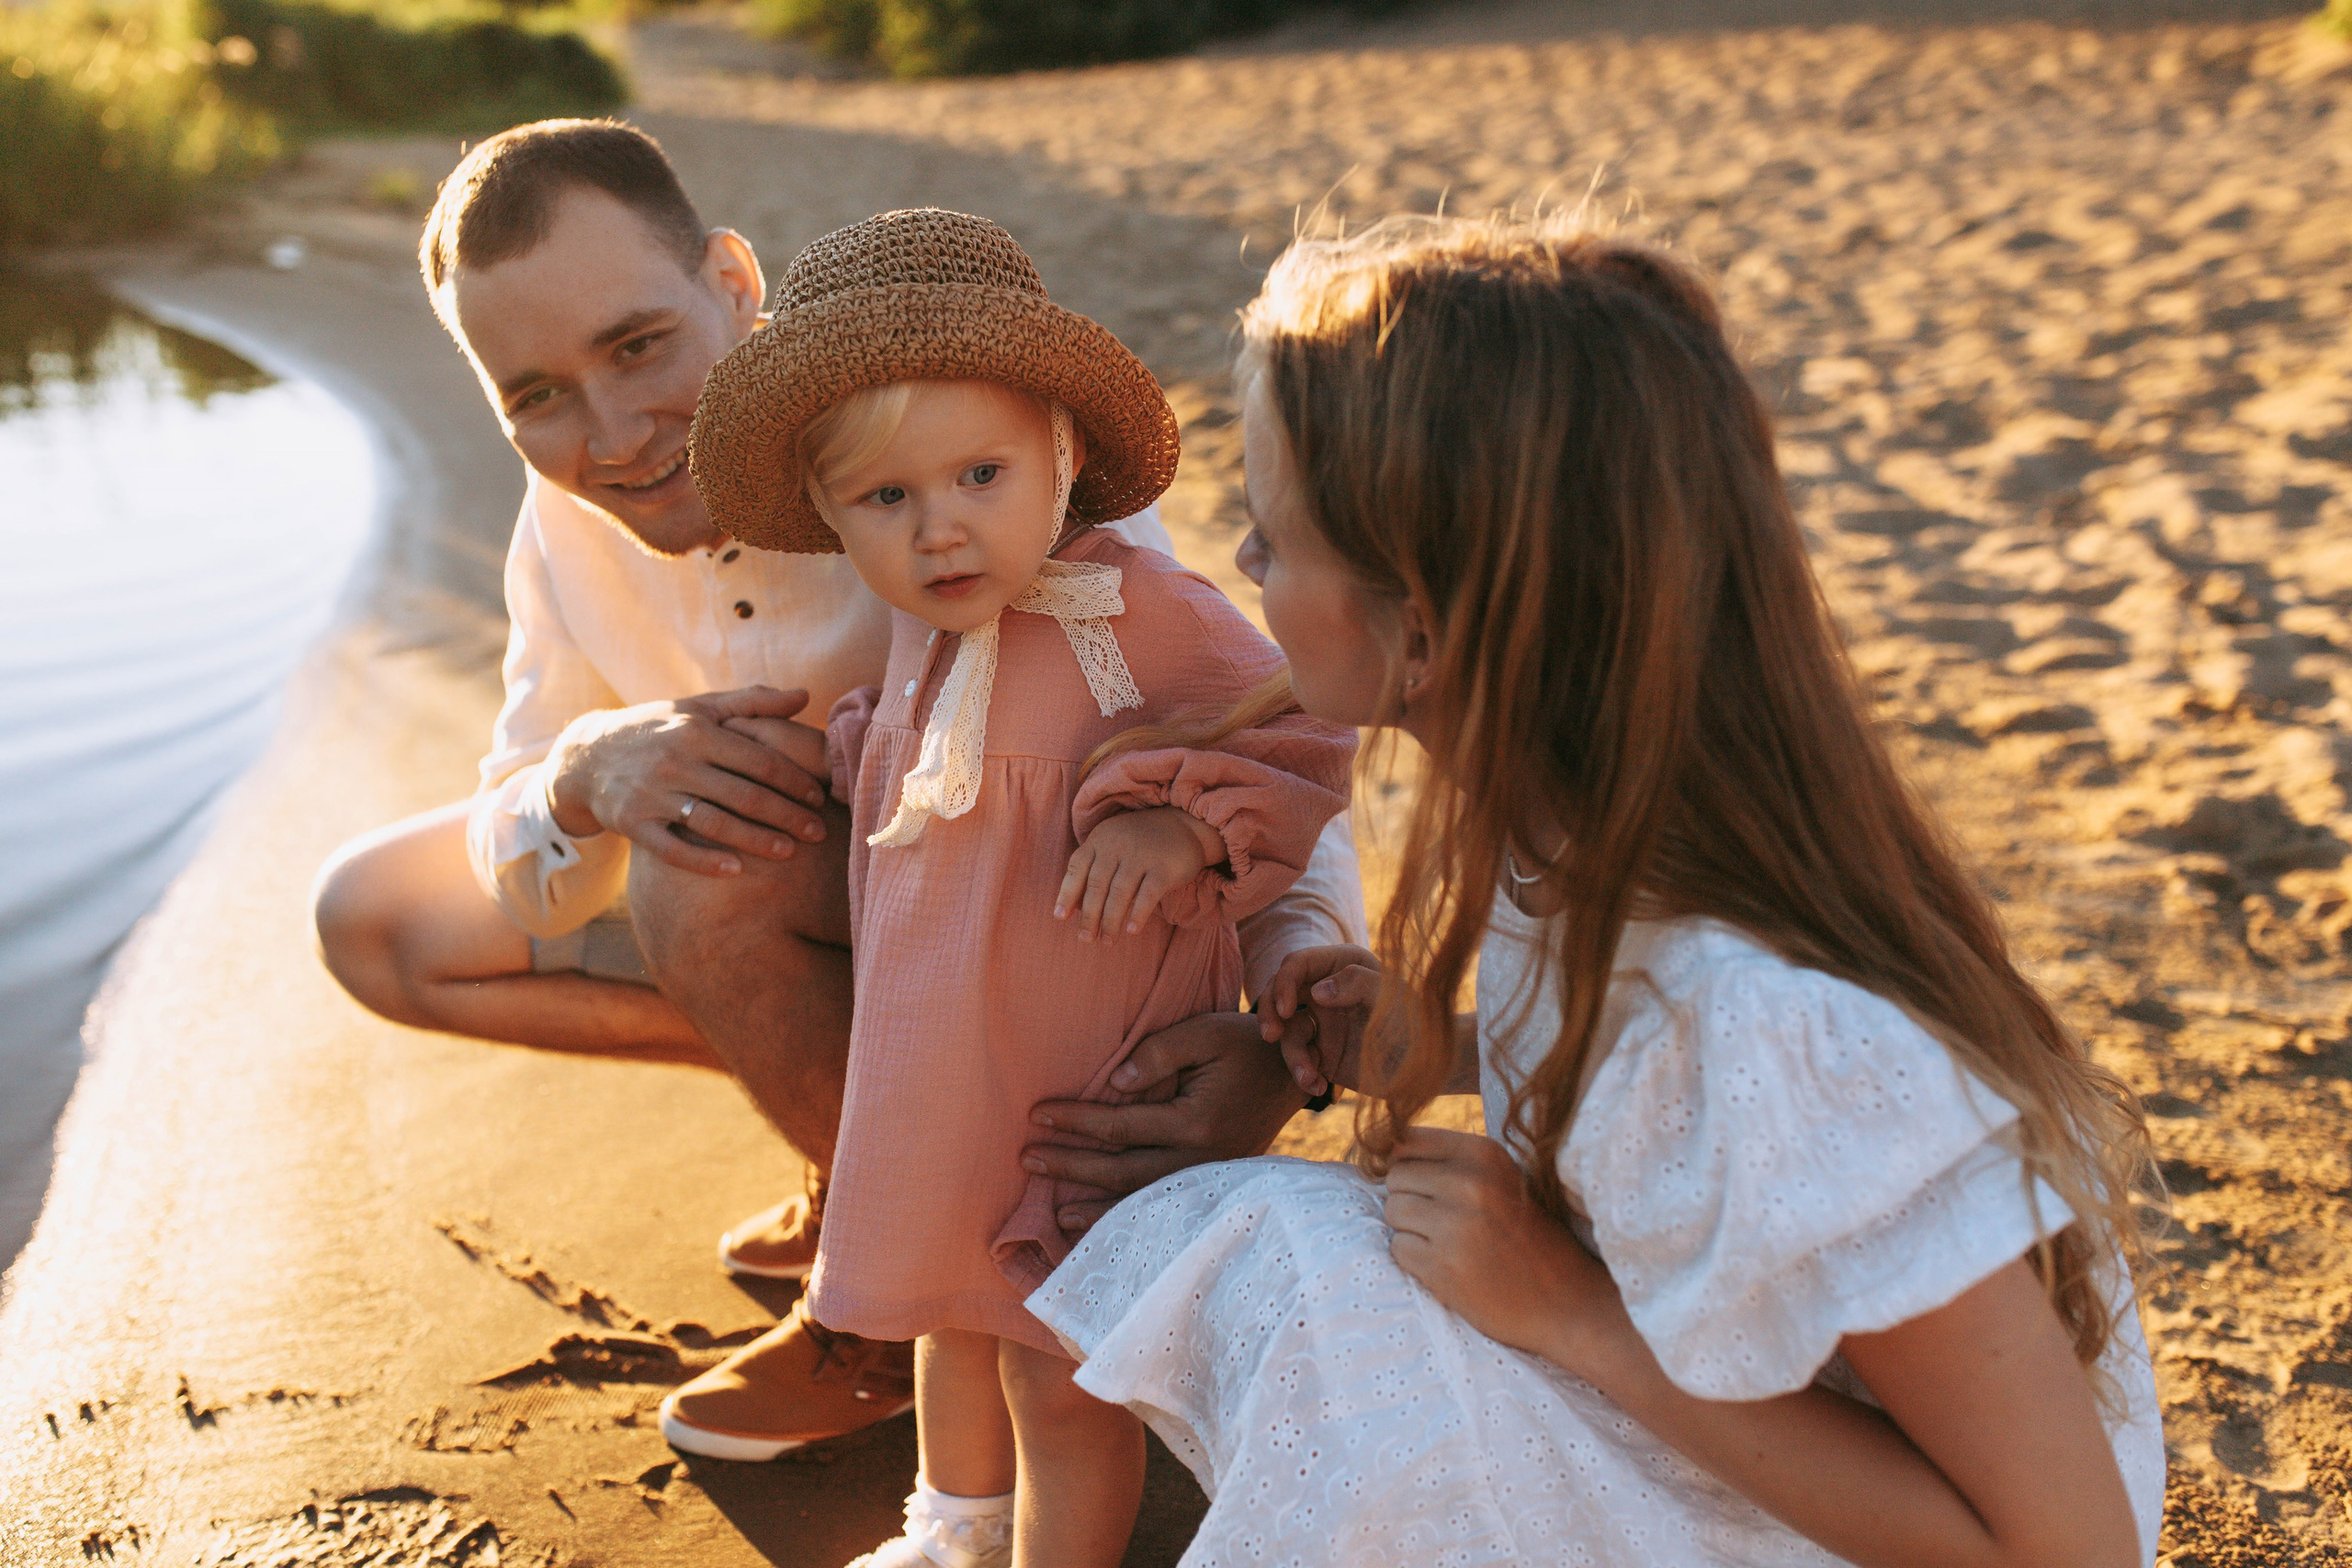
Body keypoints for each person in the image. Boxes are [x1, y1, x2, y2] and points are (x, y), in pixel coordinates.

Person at [1028, 216, 2168, 1566]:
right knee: (1267, 1253)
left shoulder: (1756, 1020)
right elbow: (1634, 1089)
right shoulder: (1572, 829)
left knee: (1309, 1286)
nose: (1254, 572)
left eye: (1274, 536)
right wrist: (1394, 1050)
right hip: (1731, 1418)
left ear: (1427, 630)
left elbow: (2075, 1551)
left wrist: (1572, 1316)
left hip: (1871, 1521)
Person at [307, 119, 1366, 1458]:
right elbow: (529, 847)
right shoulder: (560, 526)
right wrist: (581, 774)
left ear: (735, 285)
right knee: (372, 916)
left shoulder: (965, 445)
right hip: (875, 930)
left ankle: (895, 1308)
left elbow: (1246, 727)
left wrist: (1281, 1036)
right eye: (537, 397)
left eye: (639, 347)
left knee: (705, 863)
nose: (616, 435)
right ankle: (866, 1159)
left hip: (1055, 946)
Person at [686, 207, 1355, 1568]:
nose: (941, 531)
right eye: (888, 501)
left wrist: (1187, 835)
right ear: (828, 517)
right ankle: (953, 1529)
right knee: (946, 1315)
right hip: (943, 1081)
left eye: (981, 474)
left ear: (1062, 452)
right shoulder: (923, 647)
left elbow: (1305, 732)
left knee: (1057, 1367)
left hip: (1079, 1086)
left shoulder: (1135, 615)